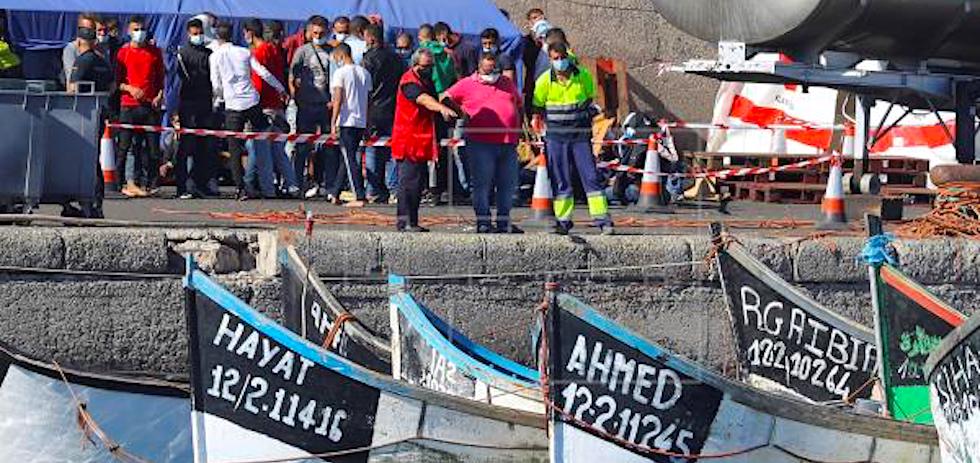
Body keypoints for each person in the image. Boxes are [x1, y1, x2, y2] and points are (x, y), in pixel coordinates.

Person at [532, 42, 613, 235]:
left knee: (591, 177)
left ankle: (602, 219)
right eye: (555, 59)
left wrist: (588, 114)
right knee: (561, 180)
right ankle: (563, 221)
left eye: (562, 58)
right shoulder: (544, 80)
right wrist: (538, 123)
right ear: (550, 60)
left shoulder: (582, 76)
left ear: (568, 57)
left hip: (580, 137)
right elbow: (537, 107)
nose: (560, 62)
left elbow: (591, 101)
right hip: (556, 138)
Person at [445, 53, 523, 234]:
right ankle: (484, 221)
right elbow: (446, 96)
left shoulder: (506, 83)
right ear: (479, 68)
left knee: (507, 184)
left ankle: (504, 221)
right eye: (487, 69)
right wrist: (460, 112)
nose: (491, 73)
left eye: (494, 69)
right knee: (482, 184)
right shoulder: (467, 83)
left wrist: (519, 130)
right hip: (481, 143)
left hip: (507, 142)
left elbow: (518, 105)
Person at [209, 22, 287, 200]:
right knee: (263, 139)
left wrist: (221, 97)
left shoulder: (215, 56)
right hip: (252, 102)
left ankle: (240, 187)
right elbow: (263, 72)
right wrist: (280, 88)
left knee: (234, 148)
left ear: (217, 37)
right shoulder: (244, 52)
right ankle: (268, 184)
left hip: (233, 105)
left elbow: (216, 84)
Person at [391, 48, 457, 232]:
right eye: (425, 66)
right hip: (409, 140)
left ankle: (413, 220)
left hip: (422, 140)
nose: (429, 70)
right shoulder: (409, 81)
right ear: (415, 65)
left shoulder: (425, 80)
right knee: (409, 184)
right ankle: (405, 222)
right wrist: (441, 109)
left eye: (431, 66)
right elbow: (423, 99)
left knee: (418, 184)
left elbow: (434, 98)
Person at [242, 18, 299, 198]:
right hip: (276, 105)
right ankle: (292, 185)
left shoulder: (259, 53)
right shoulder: (275, 50)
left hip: (264, 105)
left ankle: (267, 189)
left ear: (250, 34)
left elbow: (259, 81)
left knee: (261, 152)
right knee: (278, 150)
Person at [115, 15, 165, 198]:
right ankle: (119, 182)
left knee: (152, 148)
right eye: (136, 29)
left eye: (142, 29)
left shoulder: (154, 52)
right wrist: (129, 88)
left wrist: (160, 95)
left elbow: (161, 79)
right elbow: (117, 82)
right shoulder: (123, 53)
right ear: (129, 31)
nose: (139, 33)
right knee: (125, 146)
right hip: (129, 105)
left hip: (150, 106)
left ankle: (152, 183)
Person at [290, 16, 337, 199]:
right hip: (306, 105)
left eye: (322, 32)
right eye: (315, 32)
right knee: (302, 147)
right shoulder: (302, 52)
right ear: (309, 32)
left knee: (329, 148)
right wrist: (296, 97)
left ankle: (329, 186)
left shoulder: (332, 51)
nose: (318, 36)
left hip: (327, 106)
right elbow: (292, 76)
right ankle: (297, 184)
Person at [362, 23, 404, 204]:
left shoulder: (368, 59)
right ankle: (393, 187)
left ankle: (373, 189)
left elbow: (366, 88)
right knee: (394, 150)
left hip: (374, 109)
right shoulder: (397, 59)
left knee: (373, 149)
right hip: (394, 108)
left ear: (371, 38)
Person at [174, 18, 215, 199]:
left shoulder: (209, 53)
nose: (197, 36)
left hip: (205, 103)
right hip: (188, 104)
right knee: (185, 146)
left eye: (200, 33)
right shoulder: (183, 53)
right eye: (194, 33)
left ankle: (200, 183)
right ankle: (182, 186)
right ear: (188, 34)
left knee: (204, 146)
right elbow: (179, 78)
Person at [328, 42, 372, 207]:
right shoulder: (365, 73)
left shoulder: (340, 73)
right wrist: (368, 123)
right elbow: (369, 101)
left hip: (346, 120)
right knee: (347, 157)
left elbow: (338, 98)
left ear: (340, 55)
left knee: (349, 158)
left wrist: (333, 121)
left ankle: (359, 195)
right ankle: (335, 192)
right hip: (360, 120)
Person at [63, 13, 99, 88]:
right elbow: (71, 77)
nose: (89, 33)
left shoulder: (100, 48)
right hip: (79, 94)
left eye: (92, 30)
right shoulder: (71, 49)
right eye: (86, 30)